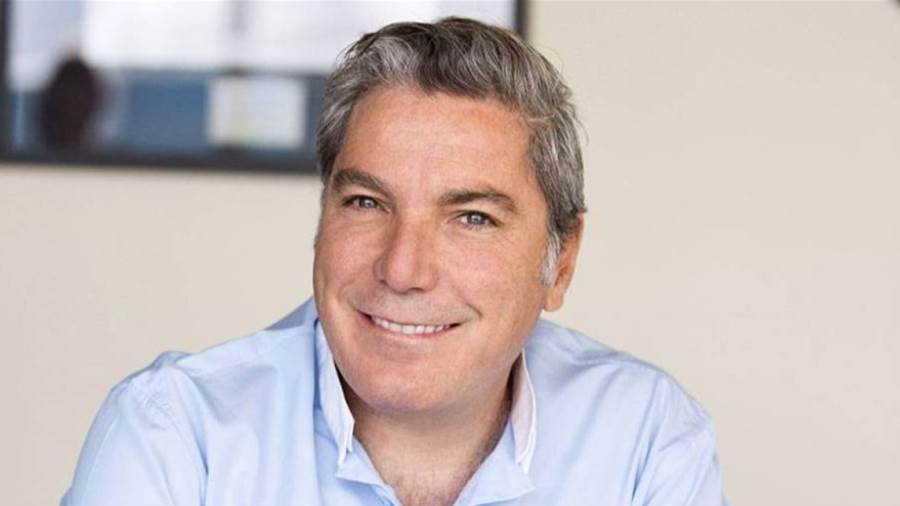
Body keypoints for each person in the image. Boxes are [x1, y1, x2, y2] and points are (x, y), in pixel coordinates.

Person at [62, 17, 728, 506]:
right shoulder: (174, 434)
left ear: (561, 263)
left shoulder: (645, 437)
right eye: (366, 203)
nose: (404, 270)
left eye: (472, 217)